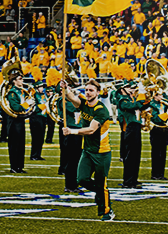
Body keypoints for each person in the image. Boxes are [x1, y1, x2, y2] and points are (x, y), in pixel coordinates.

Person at [62, 78, 115, 220]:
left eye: (91, 90)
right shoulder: (84, 104)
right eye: (86, 90)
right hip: (87, 150)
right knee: (82, 179)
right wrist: (66, 88)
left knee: (101, 183)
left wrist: (72, 131)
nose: (88, 93)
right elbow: (72, 98)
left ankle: (107, 211)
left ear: (98, 92)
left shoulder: (101, 110)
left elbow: (91, 130)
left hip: (101, 152)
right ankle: (101, 193)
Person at [114, 76, 147, 189]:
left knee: (136, 156)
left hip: (136, 128)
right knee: (130, 156)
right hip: (130, 128)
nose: (131, 89)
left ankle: (134, 179)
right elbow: (134, 106)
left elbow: (141, 105)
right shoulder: (122, 100)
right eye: (127, 87)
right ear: (122, 89)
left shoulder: (131, 98)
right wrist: (142, 97)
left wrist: (148, 99)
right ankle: (128, 181)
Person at [5, 67, 34, 173]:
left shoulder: (22, 91)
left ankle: (19, 166)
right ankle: (14, 167)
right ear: (14, 81)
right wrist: (27, 104)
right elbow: (16, 108)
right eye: (20, 79)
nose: (22, 80)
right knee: (15, 145)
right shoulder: (12, 93)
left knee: (21, 145)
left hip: (21, 120)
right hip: (14, 121)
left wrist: (31, 104)